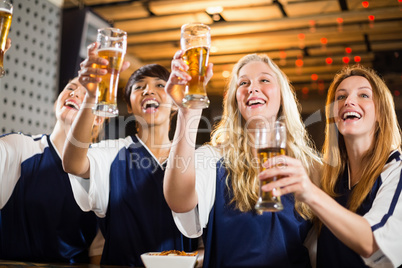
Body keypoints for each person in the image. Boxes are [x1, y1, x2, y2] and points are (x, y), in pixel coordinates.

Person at [163, 51, 322, 267]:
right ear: (235, 100)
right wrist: (187, 112)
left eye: (264, 80)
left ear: (282, 95)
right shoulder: (214, 158)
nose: (252, 88)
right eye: (243, 83)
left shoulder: (312, 167)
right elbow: (179, 201)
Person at [62, 43, 199, 266]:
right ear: (128, 105)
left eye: (160, 85)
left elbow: (207, 238)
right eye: (139, 87)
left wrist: (195, 259)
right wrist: (90, 96)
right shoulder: (112, 152)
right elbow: (72, 164)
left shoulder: (196, 158)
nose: (148, 91)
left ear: (175, 103)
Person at [260, 65, 402, 267]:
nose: (349, 101)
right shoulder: (330, 178)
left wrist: (309, 192)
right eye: (341, 97)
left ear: (381, 113)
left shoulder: (395, 171)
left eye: (363, 95)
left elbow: (373, 244)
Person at [0, 76, 104, 263]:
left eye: (87, 94)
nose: (74, 93)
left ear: (98, 118)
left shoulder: (101, 171)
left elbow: (97, 251)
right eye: (70, 87)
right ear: (57, 102)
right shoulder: (19, 148)